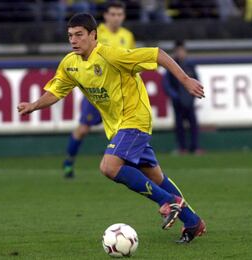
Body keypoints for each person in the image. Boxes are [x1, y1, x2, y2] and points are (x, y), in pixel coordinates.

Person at [18, 13, 206, 243]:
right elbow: (56, 91)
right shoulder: (71, 64)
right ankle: (193, 221)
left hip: (135, 119)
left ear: (93, 35)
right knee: (155, 176)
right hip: (117, 127)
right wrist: (34, 105)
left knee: (109, 166)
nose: (74, 40)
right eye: (70, 36)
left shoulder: (111, 54)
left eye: (79, 35)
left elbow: (157, 54)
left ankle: (167, 202)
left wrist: (185, 80)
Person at [63, 1, 135, 178]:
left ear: (123, 16)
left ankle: (124, 165)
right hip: (98, 92)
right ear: (106, 16)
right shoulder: (95, 33)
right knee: (82, 130)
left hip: (119, 94)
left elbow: (131, 62)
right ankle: (69, 161)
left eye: (119, 14)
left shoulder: (128, 36)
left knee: (123, 131)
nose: (116, 18)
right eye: (113, 14)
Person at [163, 41, 202, 155]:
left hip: (189, 101)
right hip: (177, 102)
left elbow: (197, 81)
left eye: (182, 51)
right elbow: (166, 84)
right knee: (179, 126)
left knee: (193, 124)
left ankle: (195, 147)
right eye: (178, 51)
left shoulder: (190, 65)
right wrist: (175, 96)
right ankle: (182, 147)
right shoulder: (172, 66)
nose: (180, 53)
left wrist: (193, 96)